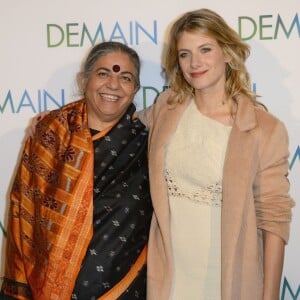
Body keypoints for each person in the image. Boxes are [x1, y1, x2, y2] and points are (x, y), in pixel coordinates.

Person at [137, 8, 294, 300]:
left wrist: (270, 294)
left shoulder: (264, 129)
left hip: (229, 278)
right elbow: (119, 124)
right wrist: (56, 122)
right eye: (184, 54)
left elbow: (273, 217)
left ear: (227, 53)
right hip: (170, 277)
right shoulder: (166, 107)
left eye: (205, 49)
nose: (195, 62)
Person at [1, 41, 152, 299]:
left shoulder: (149, 140)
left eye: (125, 78)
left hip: (124, 287)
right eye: (103, 73)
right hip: (47, 287)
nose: (113, 85)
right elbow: (23, 214)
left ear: (135, 89)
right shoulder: (50, 134)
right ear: (84, 80)